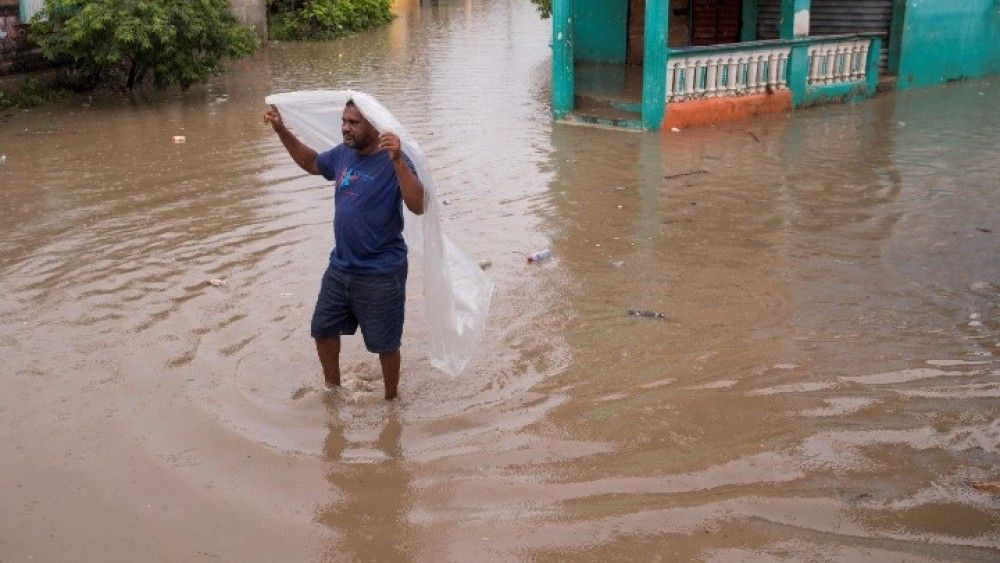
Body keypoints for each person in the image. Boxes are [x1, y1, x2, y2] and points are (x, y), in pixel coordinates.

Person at [263, 100, 425, 400]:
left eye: (354, 122)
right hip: (341, 267)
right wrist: (281, 130)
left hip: (381, 272)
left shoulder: (393, 160)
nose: (346, 128)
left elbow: (418, 205)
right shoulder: (343, 155)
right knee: (322, 329)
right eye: (344, 121)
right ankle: (333, 391)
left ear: (374, 126)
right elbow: (312, 163)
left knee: (385, 345)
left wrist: (399, 161)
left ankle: (392, 402)